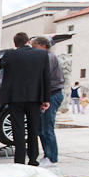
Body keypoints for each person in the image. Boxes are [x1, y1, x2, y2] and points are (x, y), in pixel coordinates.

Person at [0, 33, 51, 165]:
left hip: (15, 98)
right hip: (35, 97)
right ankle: (33, 159)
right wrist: (46, 99)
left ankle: (19, 160)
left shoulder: (10, 55)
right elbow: (46, 78)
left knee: (18, 129)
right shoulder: (42, 54)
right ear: (28, 41)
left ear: (15, 43)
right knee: (33, 129)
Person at [31, 36, 64, 164]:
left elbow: (44, 76)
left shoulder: (48, 58)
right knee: (42, 129)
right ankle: (48, 156)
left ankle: (51, 158)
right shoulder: (47, 57)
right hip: (49, 94)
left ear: (43, 46)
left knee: (47, 129)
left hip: (51, 94)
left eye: (35, 47)